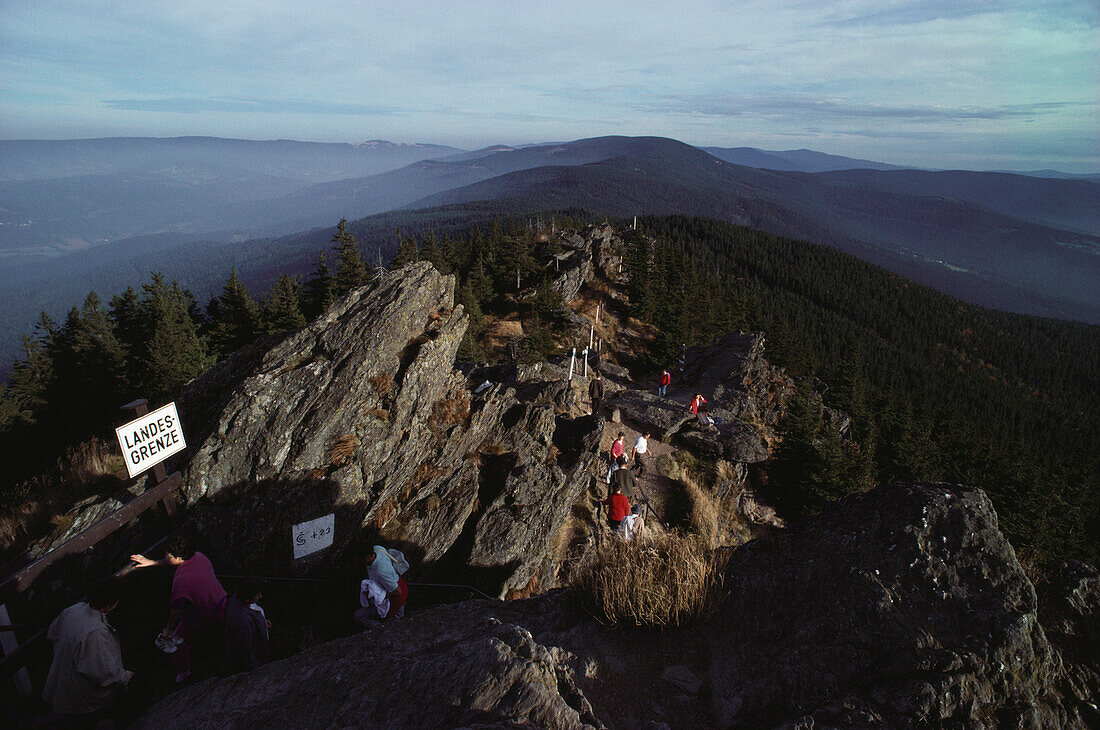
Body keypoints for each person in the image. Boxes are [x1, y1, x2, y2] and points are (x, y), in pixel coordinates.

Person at [131, 534, 227, 683]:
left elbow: (176, 608)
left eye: (167, 554)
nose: (165, 556)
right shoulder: (199, 557)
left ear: (178, 557)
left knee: (179, 644)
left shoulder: (181, 580)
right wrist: (152, 562)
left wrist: (167, 630)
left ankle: (184, 674)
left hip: (203, 611)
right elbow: (171, 563)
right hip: (221, 601)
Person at [43, 578, 134, 726]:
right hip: (80, 695)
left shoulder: (73, 610)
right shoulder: (96, 633)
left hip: (63, 677)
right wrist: (125, 676)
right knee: (85, 722)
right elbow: (103, 671)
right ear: (110, 605)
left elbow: (52, 634)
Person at [223, 577, 270, 674]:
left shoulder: (236, 600)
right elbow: (246, 651)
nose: (261, 596)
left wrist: (261, 624)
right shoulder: (243, 623)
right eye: (258, 595)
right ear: (248, 600)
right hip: (257, 660)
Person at [363, 545, 409, 620]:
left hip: (397, 595)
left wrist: (380, 596)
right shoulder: (377, 549)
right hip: (395, 583)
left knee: (393, 620)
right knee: (400, 617)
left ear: (368, 557)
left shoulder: (381, 571)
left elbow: (398, 592)